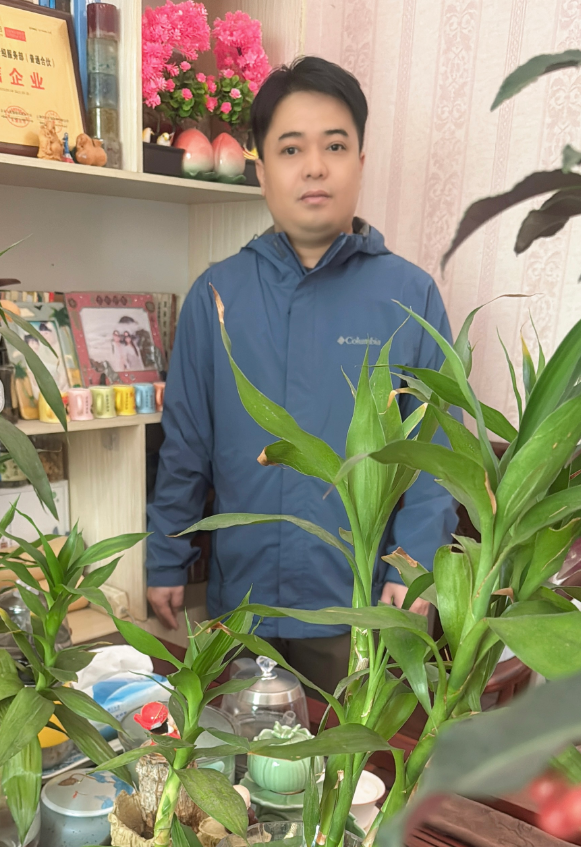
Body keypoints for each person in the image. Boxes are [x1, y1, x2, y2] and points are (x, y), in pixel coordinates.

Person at [146, 57, 458, 693]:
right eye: (291, 149)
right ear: (262, 170)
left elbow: (438, 453)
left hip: (358, 607)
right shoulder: (217, 295)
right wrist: (166, 557)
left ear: (360, 163)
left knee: (352, 753)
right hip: (241, 606)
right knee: (234, 742)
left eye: (334, 146)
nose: (314, 166)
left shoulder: (409, 296)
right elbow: (186, 447)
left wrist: (413, 565)